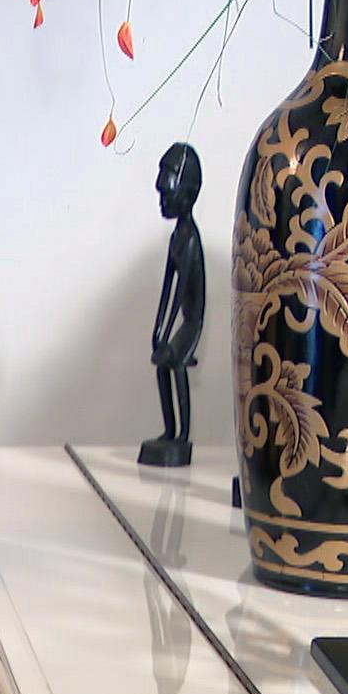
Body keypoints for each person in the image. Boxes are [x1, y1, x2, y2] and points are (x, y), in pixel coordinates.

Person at [138, 141, 204, 469]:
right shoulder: (177, 237)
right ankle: (170, 429)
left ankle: (182, 435)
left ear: (187, 194)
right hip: (180, 321)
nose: (162, 202)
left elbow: (180, 293)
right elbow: (167, 285)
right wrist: (157, 327)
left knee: (175, 363)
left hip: (192, 322)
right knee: (161, 361)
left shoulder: (190, 237)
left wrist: (167, 331)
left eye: (167, 195)